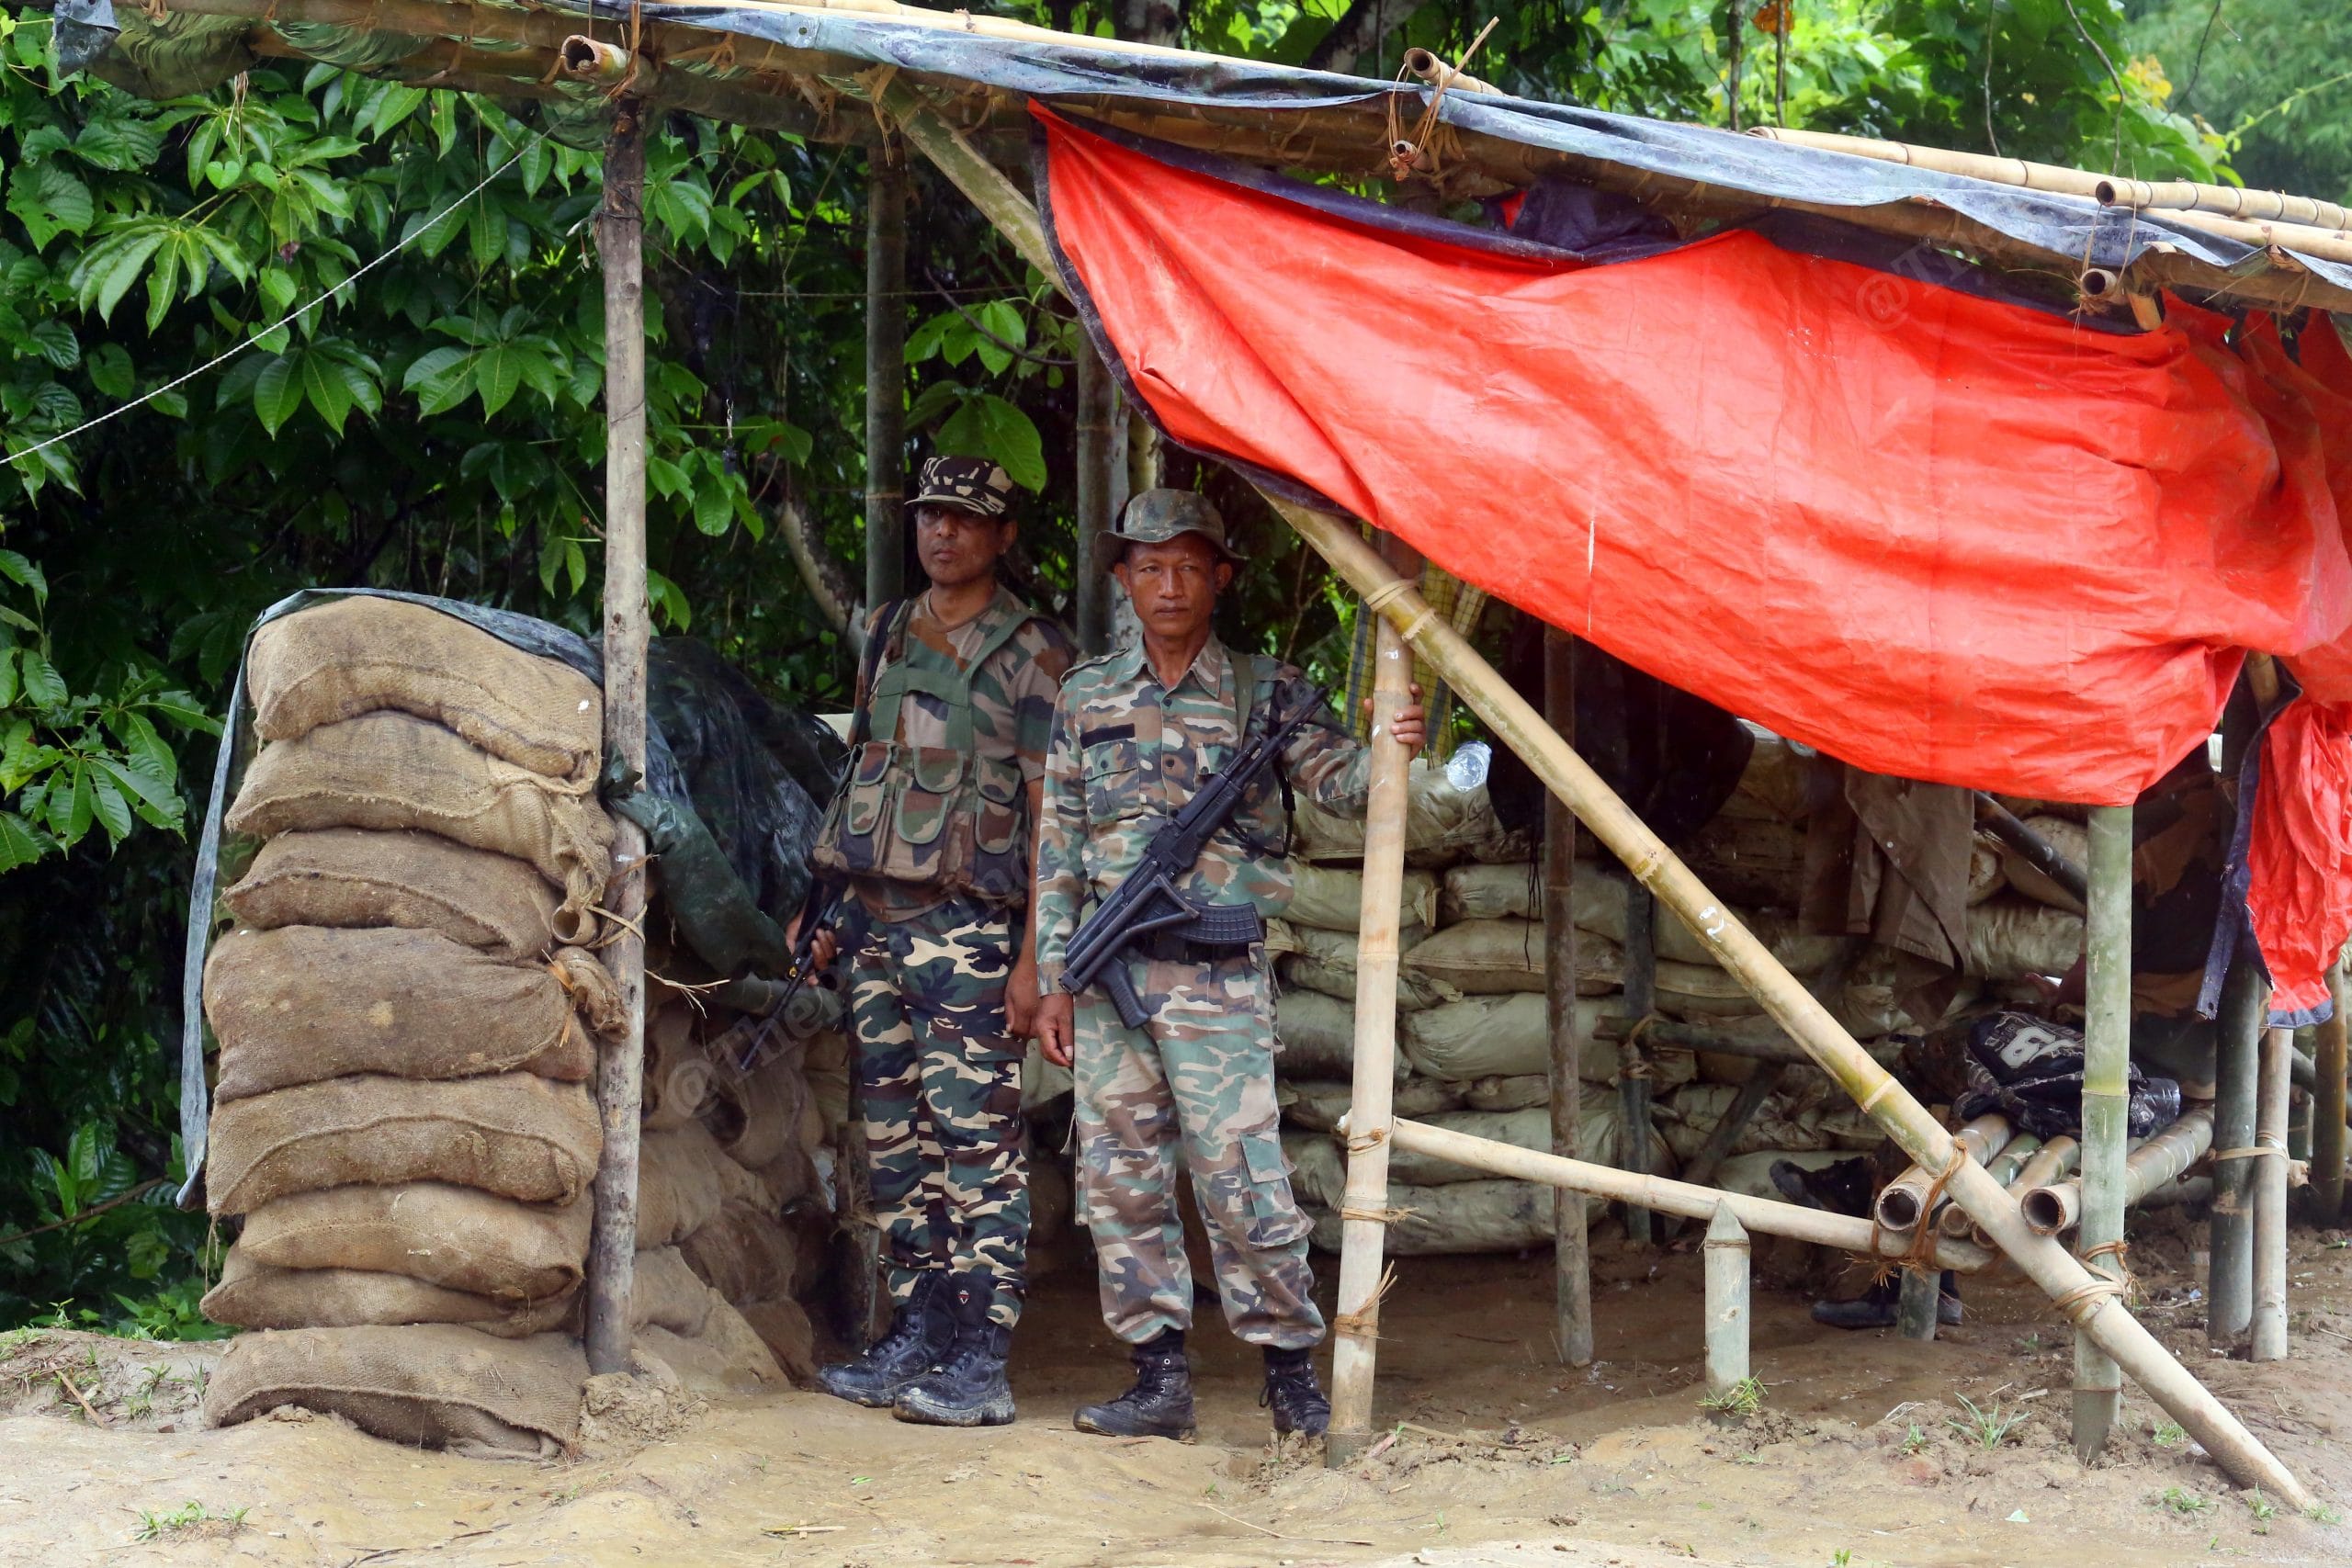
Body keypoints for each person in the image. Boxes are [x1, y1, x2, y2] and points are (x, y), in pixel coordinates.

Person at [1031, 490, 1426, 1442]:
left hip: (1217, 977)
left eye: (1187, 566)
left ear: (1221, 578)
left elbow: (1345, 785)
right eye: (1149, 567)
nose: (1168, 585)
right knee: (1121, 1182)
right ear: (1122, 580)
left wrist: (1392, 740)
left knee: (1241, 1177)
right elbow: (1060, 844)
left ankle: (1290, 1375)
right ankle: (1157, 1379)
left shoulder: (1266, 691)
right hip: (1109, 978)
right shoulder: (1087, 694)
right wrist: (1053, 977)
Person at [807, 456, 1076, 1427]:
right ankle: (918, 1331)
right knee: (893, 1147)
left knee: (976, 1148)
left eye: (965, 518)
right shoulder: (887, 629)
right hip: (875, 926)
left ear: (1002, 536)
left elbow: (1054, 817)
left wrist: (1037, 962)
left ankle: (980, 1356)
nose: (943, 532)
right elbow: (864, 775)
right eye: (930, 515)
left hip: (970, 932)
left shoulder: (1036, 651)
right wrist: (827, 906)